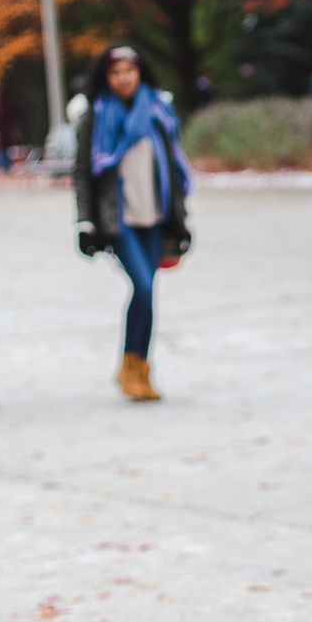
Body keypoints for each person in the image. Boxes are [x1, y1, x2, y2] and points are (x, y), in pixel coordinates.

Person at [73, 45, 192, 400]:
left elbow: (172, 167)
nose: (124, 78)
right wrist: (84, 222)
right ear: (105, 78)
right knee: (141, 285)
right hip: (117, 219)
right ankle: (130, 365)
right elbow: (83, 174)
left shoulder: (159, 111)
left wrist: (181, 219)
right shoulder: (93, 117)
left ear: (140, 72)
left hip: (154, 214)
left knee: (148, 292)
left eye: (130, 70)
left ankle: (138, 370)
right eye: (115, 72)